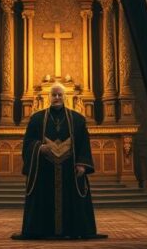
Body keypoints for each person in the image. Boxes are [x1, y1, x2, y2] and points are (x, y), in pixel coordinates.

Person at [15, 82, 100, 239]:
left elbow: (83, 143)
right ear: (49, 97)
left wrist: (82, 163)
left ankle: (73, 231)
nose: (57, 97)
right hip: (44, 170)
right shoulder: (36, 119)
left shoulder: (78, 119)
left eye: (60, 95)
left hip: (70, 169)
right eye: (54, 95)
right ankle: (42, 231)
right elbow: (28, 142)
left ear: (65, 97)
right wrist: (38, 148)